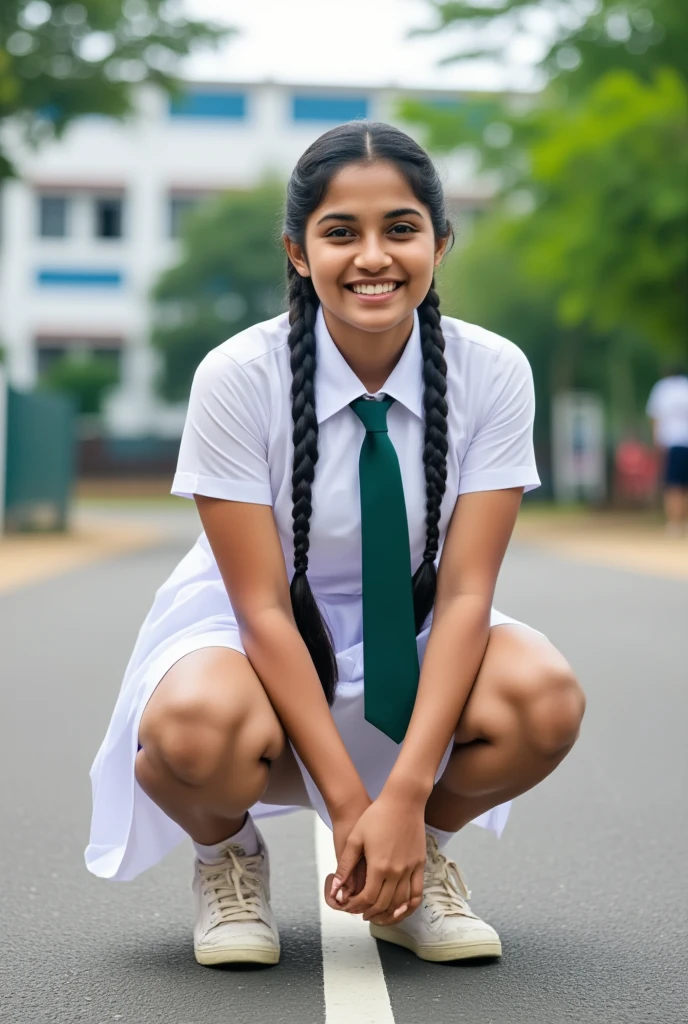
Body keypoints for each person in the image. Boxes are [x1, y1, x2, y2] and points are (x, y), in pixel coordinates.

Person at [86, 122, 586, 968]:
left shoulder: (493, 371)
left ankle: (415, 861)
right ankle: (228, 857)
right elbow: (261, 606)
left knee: (545, 701)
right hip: (260, 633)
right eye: (340, 232)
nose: (373, 257)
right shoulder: (239, 377)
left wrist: (403, 804)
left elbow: (466, 595)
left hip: (422, 622)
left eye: (400, 228)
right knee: (190, 735)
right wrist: (353, 806)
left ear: (439, 240)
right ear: (296, 249)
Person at [646, 365, 688, 535]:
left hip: (672, 442)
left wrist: (656, 441)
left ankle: (674, 523)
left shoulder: (662, 388)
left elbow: (656, 416)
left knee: (673, 484)